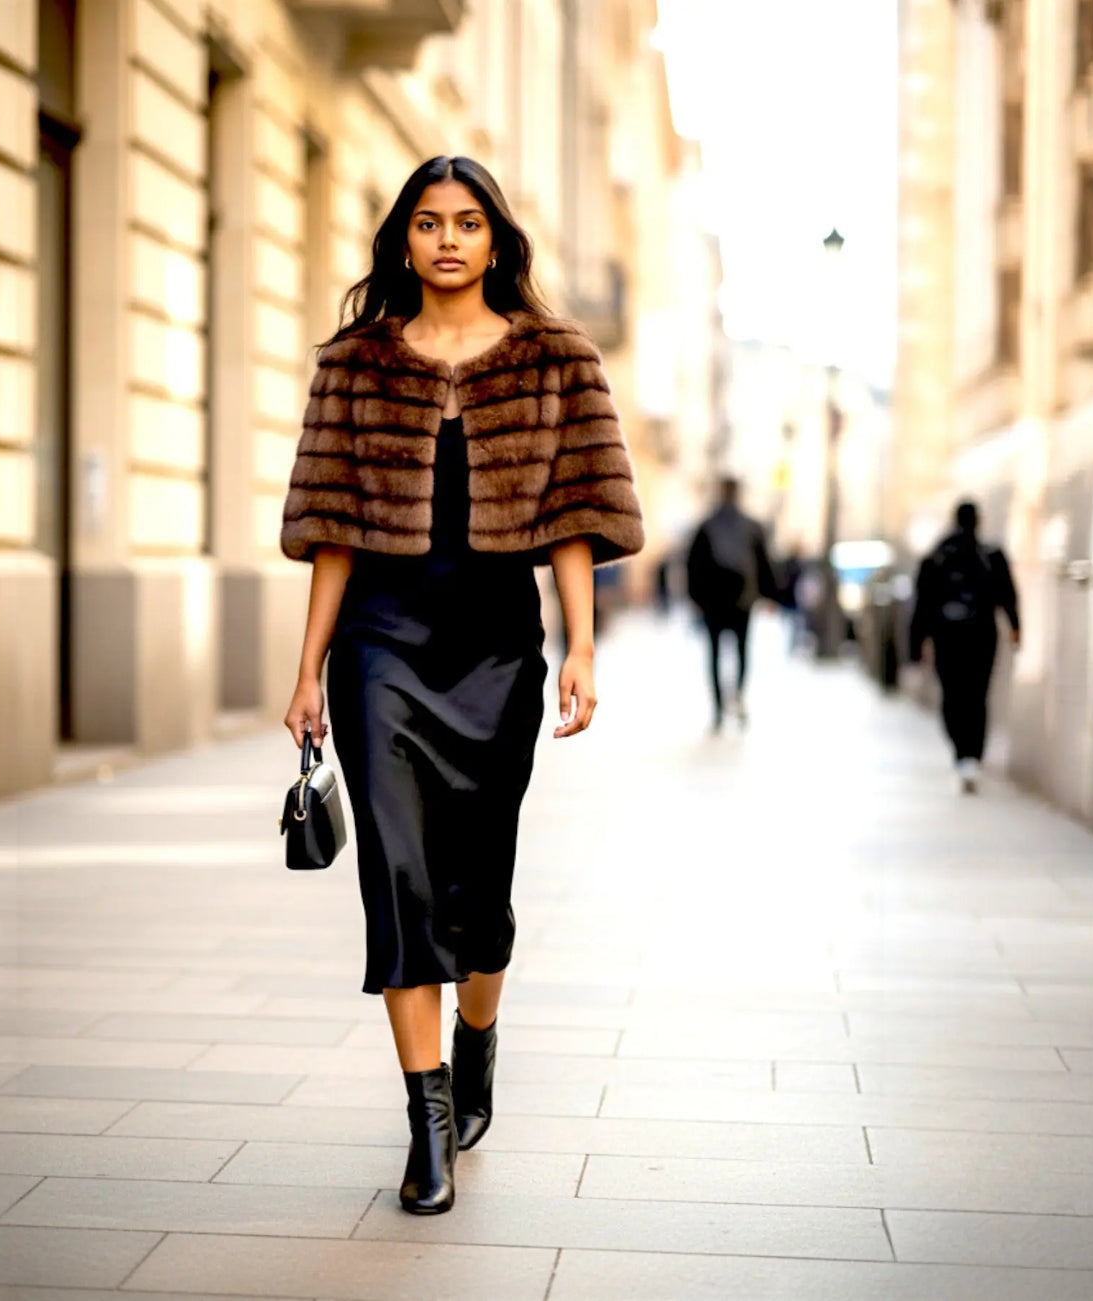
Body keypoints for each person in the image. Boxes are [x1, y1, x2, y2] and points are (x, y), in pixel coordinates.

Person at [280, 156, 643, 1216]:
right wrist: (308, 665)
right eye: (429, 223)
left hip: (495, 649)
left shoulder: (555, 360)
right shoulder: (355, 363)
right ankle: (425, 1119)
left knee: (477, 898)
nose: (447, 239)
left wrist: (578, 645)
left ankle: (477, 1035)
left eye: (468, 223)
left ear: (495, 241)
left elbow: (575, 513)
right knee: (398, 879)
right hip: (378, 648)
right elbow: (332, 530)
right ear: (403, 240)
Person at [908, 500, 1021, 793]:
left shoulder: (935, 557)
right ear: (978, 521)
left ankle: (961, 752)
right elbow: (1008, 596)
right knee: (977, 695)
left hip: (946, 638)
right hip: (982, 636)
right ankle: (973, 755)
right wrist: (1015, 628)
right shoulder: (991, 555)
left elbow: (920, 605)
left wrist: (915, 645)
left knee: (952, 695)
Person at [685, 477, 776, 730]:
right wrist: (770, 595)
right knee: (742, 650)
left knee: (713, 653)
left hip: (712, 602)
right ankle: (737, 694)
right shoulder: (751, 526)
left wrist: (694, 598)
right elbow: (764, 563)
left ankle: (718, 708)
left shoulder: (706, 526)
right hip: (742, 600)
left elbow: (693, 564)